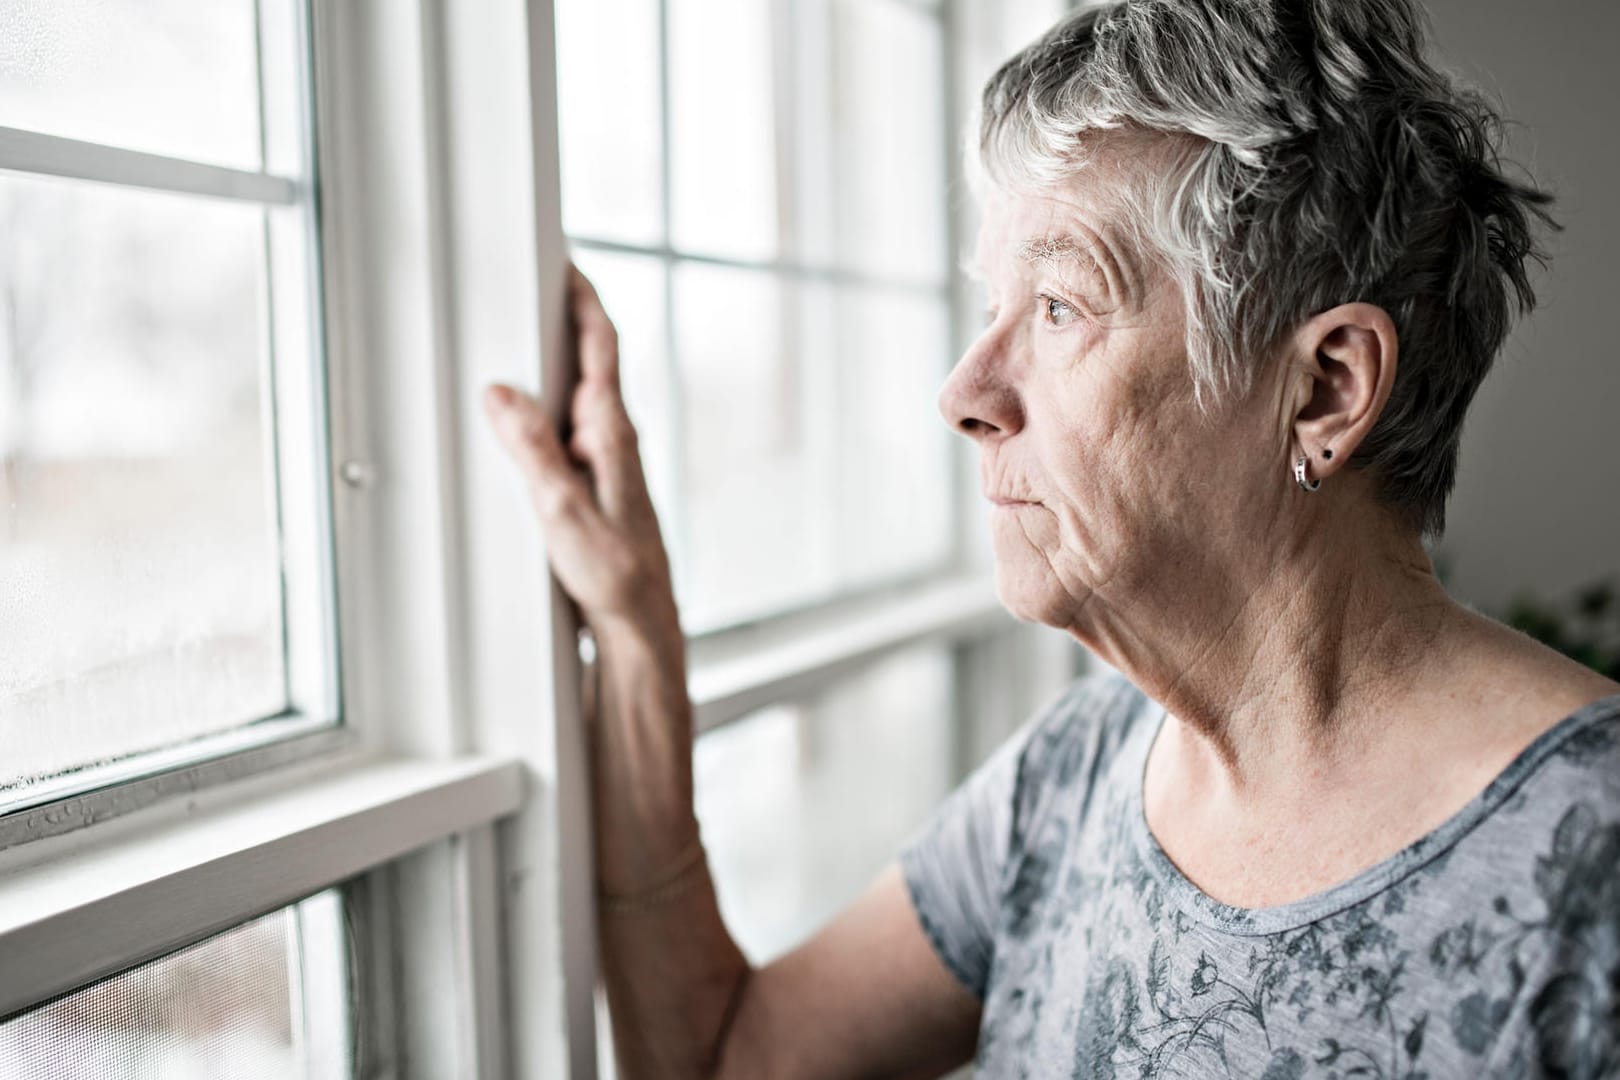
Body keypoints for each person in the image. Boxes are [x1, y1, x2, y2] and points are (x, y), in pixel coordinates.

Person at [483, 0, 1620, 1075]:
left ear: (1326, 388)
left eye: (1063, 306)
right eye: (993, 310)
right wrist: (634, 636)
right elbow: (726, 1059)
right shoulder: (1070, 782)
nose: (965, 390)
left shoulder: (1591, 860)